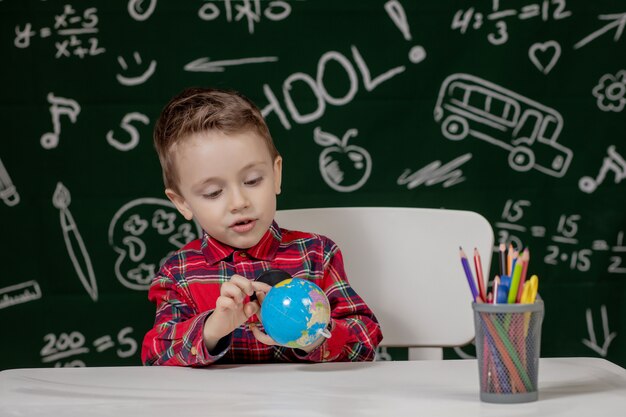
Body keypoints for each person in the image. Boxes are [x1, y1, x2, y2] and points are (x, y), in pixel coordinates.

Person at [141, 87, 383, 366]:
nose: (239, 202)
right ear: (181, 202)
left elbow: (366, 339)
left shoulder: (317, 254)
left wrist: (311, 335)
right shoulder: (178, 272)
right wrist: (212, 329)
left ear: (276, 174)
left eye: (253, 180)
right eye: (213, 193)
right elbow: (155, 354)